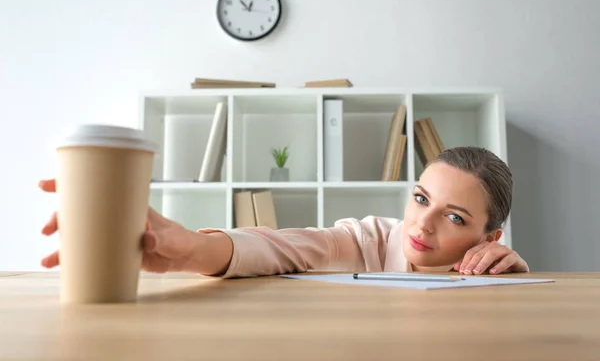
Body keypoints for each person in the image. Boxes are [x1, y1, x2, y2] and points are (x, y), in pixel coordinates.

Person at [39, 146, 529, 277]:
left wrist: (515, 287)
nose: (422, 223)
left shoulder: (497, 272)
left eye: (455, 217)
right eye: (421, 199)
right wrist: (189, 247)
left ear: (491, 238)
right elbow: (283, 247)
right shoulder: (368, 240)